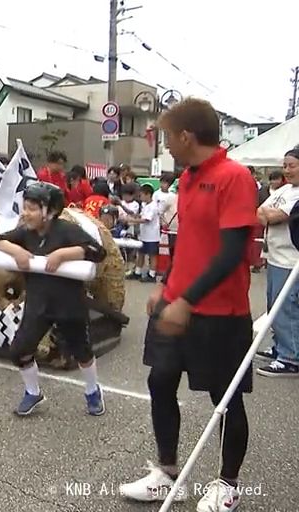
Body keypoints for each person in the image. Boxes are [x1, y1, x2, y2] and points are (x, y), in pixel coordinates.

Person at [119, 98, 257, 512]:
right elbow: (190, 244)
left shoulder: (234, 177)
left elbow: (232, 252)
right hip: (176, 303)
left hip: (220, 314)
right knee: (160, 381)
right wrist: (166, 287)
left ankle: (228, 484)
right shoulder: (189, 179)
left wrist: (188, 300)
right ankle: (167, 472)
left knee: (226, 399)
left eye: (166, 136)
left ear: (186, 136)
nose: (165, 144)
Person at [0, 182, 108, 417]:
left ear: (49, 211)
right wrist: (16, 251)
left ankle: (93, 391)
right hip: (38, 303)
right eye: (24, 207)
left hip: (69, 303)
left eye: (32, 208)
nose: (26, 213)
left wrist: (64, 254)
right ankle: (33, 392)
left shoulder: (66, 230)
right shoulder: (25, 233)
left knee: (82, 352)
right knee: (19, 351)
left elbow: (98, 251)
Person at [254, 148, 299, 377]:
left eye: (292, 165)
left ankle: (291, 356)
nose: (287, 170)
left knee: (287, 307)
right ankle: (280, 346)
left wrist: (267, 213)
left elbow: (274, 216)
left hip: (291, 260)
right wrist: (266, 213)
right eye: (285, 166)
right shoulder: (284, 190)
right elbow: (260, 212)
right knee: (274, 305)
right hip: (275, 256)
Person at [130, 184, 161, 283]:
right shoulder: (145, 205)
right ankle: (137, 272)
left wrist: (132, 220)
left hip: (152, 236)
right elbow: (142, 216)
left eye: (142, 195)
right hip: (144, 235)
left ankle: (152, 275)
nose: (140, 197)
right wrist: (135, 216)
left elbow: (146, 220)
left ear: (148, 195)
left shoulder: (153, 206)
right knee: (141, 253)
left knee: (152, 255)